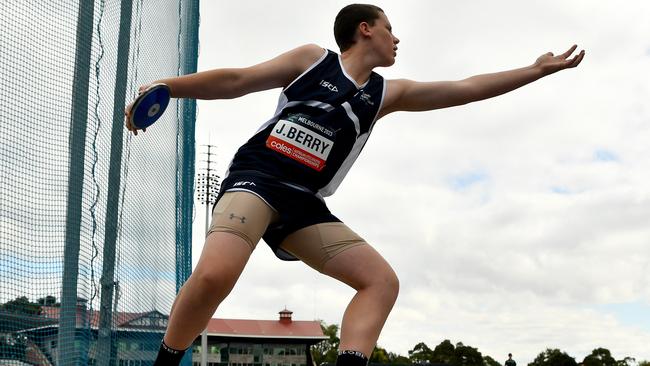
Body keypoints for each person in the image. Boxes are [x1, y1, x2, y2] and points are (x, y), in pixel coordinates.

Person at [125, 4, 584, 366]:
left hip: (305, 203)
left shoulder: (387, 93)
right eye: (390, 27)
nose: (397, 37)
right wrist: (168, 86)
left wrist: (534, 70)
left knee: (380, 282)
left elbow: (464, 87)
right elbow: (239, 80)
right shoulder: (312, 61)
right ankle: (167, 361)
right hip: (258, 176)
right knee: (214, 276)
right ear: (365, 29)